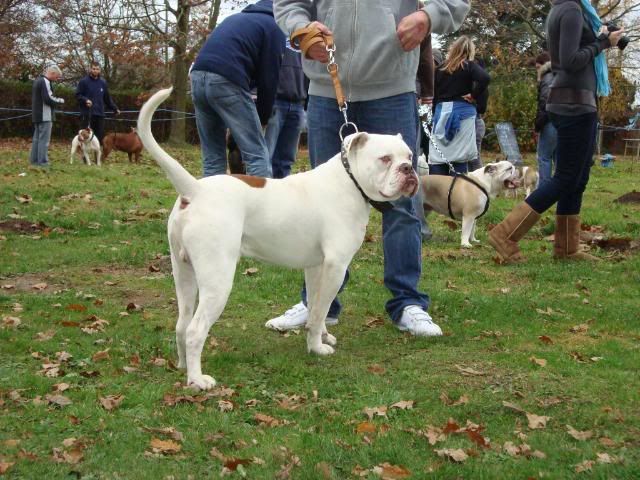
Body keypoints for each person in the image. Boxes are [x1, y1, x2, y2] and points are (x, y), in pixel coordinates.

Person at [265, 0, 470, 335]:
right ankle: (318, 305)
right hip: (326, 87)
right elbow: (289, 4)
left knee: (402, 203)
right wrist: (301, 30)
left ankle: (408, 302)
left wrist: (428, 16)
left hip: (392, 89)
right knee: (320, 206)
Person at [489, 0, 624, 262]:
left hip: (576, 101)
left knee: (577, 178)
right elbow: (569, 61)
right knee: (566, 178)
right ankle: (505, 234)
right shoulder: (571, 9)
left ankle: (567, 248)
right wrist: (603, 43)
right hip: (573, 104)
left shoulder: (567, 8)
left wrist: (598, 38)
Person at [190, 0, 285, 178]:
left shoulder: (235, 19)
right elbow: (269, 79)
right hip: (227, 79)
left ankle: (214, 196)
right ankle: (261, 197)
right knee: (256, 154)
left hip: (197, 76)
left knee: (212, 157)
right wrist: (263, 118)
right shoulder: (274, 27)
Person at [429, 36, 490, 176]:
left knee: (438, 157)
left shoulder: (440, 69)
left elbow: (435, 95)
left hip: (441, 113)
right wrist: (474, 95)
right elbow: (485, 78)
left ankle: (438, 186)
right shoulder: (469, 66)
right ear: (470, 51)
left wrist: (434, 116)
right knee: (459, 157)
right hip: (463, 114)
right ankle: (457, 187)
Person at [264, 42, 307, 179]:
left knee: (286, 160)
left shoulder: (305, 37)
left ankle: (281, 190)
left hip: (298, 103)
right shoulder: (273, 33)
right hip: (275, 101)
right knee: (265, 157)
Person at [76, 62, 120, 145]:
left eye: (97, 69)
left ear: (99, 70)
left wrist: (115, 108)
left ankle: (97, 153)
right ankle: (84, 153)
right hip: (87, 114)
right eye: (93, 69)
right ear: (90, 69)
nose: (95, 71)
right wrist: (86, 100)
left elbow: (107, 99)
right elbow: (78, 95)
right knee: (85, 139)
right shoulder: (83, 81)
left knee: (98, 139)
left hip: (99, 114)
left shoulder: (103, 82)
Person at [30, 65, 65, 169]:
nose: (56, 79)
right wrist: (60, 100)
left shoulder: (38, 80)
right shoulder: (45, 81)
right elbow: (48, 98)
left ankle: (34, 161)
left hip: (37, 115)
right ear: (52, 73)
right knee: (44, 140)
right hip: (45, 115)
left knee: (37, 139)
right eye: (57, 77)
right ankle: (43, 163)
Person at [534, 51, 557, 185]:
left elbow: (545, 104)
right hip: (562, 121)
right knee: (558, 158)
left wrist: (538, 125)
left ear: (544, 65)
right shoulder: (559, 76)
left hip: (549, 122)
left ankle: (544, 189)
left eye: (538, 67)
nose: (537, 71)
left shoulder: (547, 78)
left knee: (544, 157)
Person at [468, 58, 489, 172]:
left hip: (476, 121)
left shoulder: (481, 88)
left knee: (475, 156)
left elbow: (482, 108)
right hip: (473, 122)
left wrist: (469, 104)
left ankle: (480, 177)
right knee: (470, 156)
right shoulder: (471, 85)